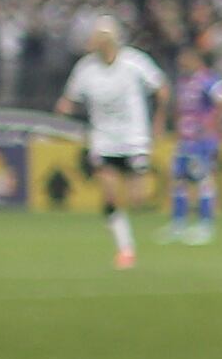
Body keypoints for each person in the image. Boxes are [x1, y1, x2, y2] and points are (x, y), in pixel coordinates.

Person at [58, 19, 169, 269]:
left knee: (137, 199)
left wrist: (159, 121)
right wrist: (65, 109)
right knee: (109, 194)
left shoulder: (134, 62)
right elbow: (69, 98)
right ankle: (125, 249)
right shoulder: (85, 69)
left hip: (134, 138)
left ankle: (133, 238)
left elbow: (161, 88)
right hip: (103, 140)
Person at [166, 38, 222, 247]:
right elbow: (180, 110)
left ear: (195, 58)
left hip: (202, 140)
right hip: (186, 140)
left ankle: (206, 225)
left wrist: (212, 126)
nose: (181, 62)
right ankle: (178, 224)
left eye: (184, 58)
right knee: (179, 180)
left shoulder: (209, 80)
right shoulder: (184, 82)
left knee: (203, 180)